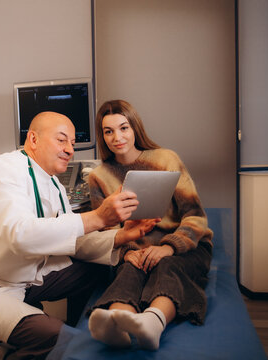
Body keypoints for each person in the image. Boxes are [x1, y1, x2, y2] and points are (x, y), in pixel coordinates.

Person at [0, 111, 156, 359]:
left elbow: (73, 241)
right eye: (61, 140)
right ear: (34, 139)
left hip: (22, 276)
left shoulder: (54, 185)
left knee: (101, 268)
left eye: (72, 143)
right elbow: (20, 235)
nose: (70, 149)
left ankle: (85, 331)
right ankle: (68, 341)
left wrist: (122, 237)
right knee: (53, 337)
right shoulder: (1, 170)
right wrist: (98, 218)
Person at [87, 100, 213, 351]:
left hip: (185, 247)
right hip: (135, 249)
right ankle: (115, 326)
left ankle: (152, 323)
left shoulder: (166, 159)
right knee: (128, 271)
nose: (117, 137)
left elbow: (195, 215)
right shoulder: (98, 177)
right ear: (102, 136)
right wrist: (127, 252)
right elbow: (106, 230)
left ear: (135, 128)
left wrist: (169, 247)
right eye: (108, 131)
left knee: (167, 266)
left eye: (123, 128)